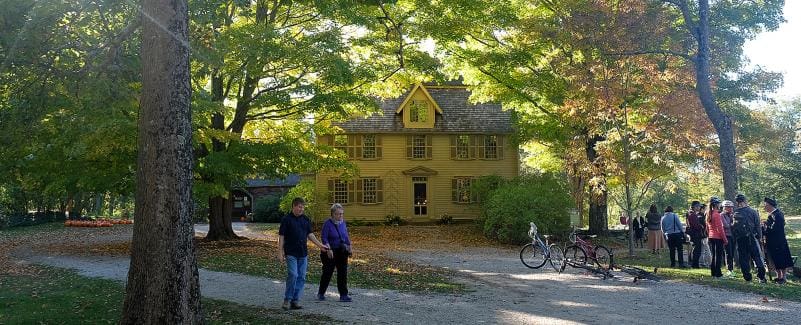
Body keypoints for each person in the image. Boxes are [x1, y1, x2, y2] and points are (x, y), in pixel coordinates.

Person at [278, 197, 330, 310]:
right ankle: (287, 299)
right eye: (300, 207)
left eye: (303, 207)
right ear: (294, 206)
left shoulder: (305, 219)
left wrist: (320, 245)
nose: (302, 209)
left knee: (301, 277)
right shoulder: (286, 219)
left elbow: (310, 235)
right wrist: (280, 252)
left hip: (303, 253)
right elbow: (281, 236)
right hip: (291, 252)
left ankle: (295, 300)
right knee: (293, 275)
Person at [317, 203, 354, 302]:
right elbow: (324, 238)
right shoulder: (327, 224)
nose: (341, 216)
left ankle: (343, 295)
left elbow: (346, 236)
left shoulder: (343, 223)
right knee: (327, 272)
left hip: (341, 251)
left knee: (343, 272)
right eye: (338, 214)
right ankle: (321, 292)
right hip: (330, 251)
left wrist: (349, 247)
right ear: (333, 214)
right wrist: (328, 249)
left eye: (342, 214)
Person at [732, 194, 766, 283]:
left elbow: (733, 227)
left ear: (737, 202)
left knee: (743, 258)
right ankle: (761, 277)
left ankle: (747, 277)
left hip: (740, 238)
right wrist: (760, 237)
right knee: (757, 256)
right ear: (745, 200)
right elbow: (758, 225)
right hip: (752, 237)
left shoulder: (735, 213)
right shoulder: (753, 211)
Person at [762, 197, 794, 284]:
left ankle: (783, 277)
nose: (764, 208)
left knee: (781, 259)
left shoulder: (778, 215)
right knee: (775, 259)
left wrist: (765, 227)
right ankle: (779, 276)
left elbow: (775, 229)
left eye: (765, 206)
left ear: (770, 205)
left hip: (778, 242)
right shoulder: (773, 215)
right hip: (773, 242)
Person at [706, 197, 727, 278]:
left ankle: (713, 272)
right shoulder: (716, 214)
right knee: (718, 256)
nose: (720, 205)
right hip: (718, 237)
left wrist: (709, 235)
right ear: (716, 205)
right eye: (719, 203)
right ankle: (718, 273)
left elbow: (707, 228)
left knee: (713, 255)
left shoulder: (709, 214)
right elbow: (720, 229)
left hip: (711, 237)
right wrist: (725, 239)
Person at [685, 201, 705, 268]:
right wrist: (701, 226)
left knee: (696, 249)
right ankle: (695, 264)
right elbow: (696, 225)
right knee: (697, 250)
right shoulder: (692, 215)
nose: (699, 207)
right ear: (695, 207)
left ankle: (694, 263)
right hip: (695, 234)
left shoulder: (692, 214)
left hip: (694, 234)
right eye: (698, 206)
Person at [721, 200, 736, 277]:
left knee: (732, 253)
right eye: (730, 207)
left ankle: (731, 269)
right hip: (726, 236)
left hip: (732, 236)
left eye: (732, 207)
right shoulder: (722, 215)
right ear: (725, 208)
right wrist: (733, 223)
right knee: (728, 253)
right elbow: (726, 226)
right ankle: (729, 270)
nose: (731, 209)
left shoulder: (731, 215)